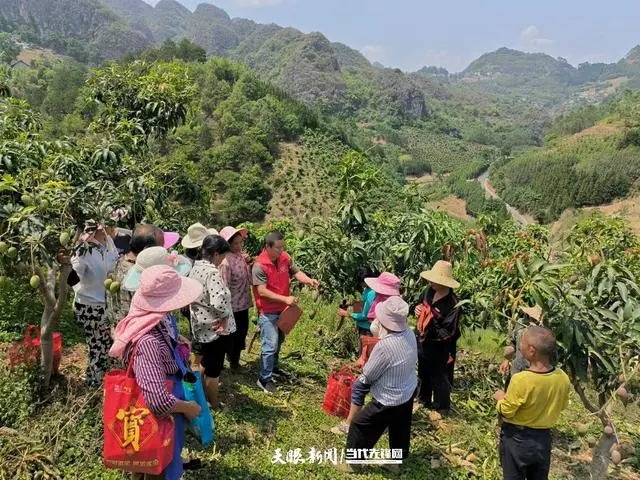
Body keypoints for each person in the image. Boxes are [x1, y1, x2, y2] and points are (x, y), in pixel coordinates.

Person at [109, 265, 203, 480]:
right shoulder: (148, 342)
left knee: (147, 464)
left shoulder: (155, 323)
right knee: (156, 466)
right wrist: (188, 408)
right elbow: (158, 402)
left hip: (160, 418)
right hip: (156, 423)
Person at [337, 296, 418, 473]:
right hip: (408, 389)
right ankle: (395, 463)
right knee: (400, 427)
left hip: (389, 398)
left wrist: (362, 381)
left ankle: (353, 464)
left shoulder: (385, 346)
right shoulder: (409, 334)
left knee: (360, 425)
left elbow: (370, 374)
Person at [494, 326, 570, 480]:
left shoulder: (521, 380)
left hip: (517, 440)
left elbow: (507, 411)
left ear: (531, 351)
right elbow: (562, 405)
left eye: (522, 341)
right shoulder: (562, 377)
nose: (519, 344)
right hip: (543, 440)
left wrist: (500, 398)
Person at [252, 231, 319, 393]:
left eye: (283, 247)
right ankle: (264, 379)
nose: (281, 250)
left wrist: (308, 280)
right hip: (268, 312)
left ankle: (274, 368)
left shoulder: (284, 258)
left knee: (279, 340)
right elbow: (262, 291)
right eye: (278, 248)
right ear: (267, 247)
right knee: (270, 345)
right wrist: (285, 299)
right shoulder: (259, 266)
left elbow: (296, 273)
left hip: (283, 310)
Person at [188, 235, 236, 408]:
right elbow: (218, 302)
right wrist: (224, 317)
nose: (223, 260)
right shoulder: (212, 273)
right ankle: (214, 403)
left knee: (205, 362)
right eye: (223, 256)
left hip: (201, 326)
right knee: (213, 372)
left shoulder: (195, 268)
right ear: (216, 254)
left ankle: (198, 393)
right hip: (216, 329)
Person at [71, 220, 119, 387]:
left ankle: (106, 381)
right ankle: (94, 385)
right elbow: (72, 279)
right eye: (112, 224)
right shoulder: (83, 249)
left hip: (107, 303)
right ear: (101, 226)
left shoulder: (109, 242)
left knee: (109, 344)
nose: (115, 227)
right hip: (90, 306)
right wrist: (65, 265)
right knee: (98, 346)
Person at [415, 260, 461, 413]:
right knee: (423, 371)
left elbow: (449, 332)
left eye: (435, 281)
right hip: (424, 341)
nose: (431, 282)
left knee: (440, 375)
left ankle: (442, 407)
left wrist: (431, 325)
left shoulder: (453, 304)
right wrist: (419, 311)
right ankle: (424, 400)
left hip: (441, 347)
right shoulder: (429, 291)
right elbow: (421, 306)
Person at [106, 224, 165, 327]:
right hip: (137, 334)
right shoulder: (140, 275)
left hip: (119, 330)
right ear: (147, 249)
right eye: (160, 248)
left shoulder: (117, 263)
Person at [181, 223, 219, 365]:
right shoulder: (187, 261)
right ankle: (198, 366)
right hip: (193, 304)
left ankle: (203, 363)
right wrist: (186, 301)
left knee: (203, 334)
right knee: (197, 336)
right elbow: (183, 282)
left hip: (202, 302)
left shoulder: (198, 257)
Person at [219, 226, 253, 369]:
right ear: (227, 244)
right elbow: (223, 286)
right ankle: (229, 361)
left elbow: (249, 279)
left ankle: (235, 361)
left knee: (242, 333)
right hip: (232, 306)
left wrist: (249, 264)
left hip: (243, 303)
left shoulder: (241, 257)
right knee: (231, 335)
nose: (239, 246)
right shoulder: (225, 262)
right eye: (235, 244)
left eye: (241, 242)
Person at [500, 305, 543, 389]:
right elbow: (513, 342)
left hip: (531, 373)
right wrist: (506, 360)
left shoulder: (543, 331)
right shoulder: (521, 323)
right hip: (517, 367)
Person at [337, 267, 378, 347]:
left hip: (367, 329)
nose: (361, 284)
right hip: (363, 327)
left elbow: (365, 315)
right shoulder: (368, 289)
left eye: (362, 282)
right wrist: (352, 304)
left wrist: (348, 314)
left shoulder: (371, 293)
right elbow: (365, 305)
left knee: (365, 355)